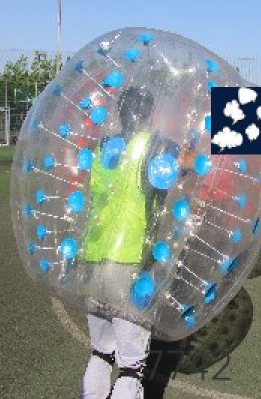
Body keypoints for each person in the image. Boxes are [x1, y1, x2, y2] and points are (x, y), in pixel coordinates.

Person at [80, 86, 195, 399]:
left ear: (120, 112)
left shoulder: (105, 146)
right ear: (150, 114)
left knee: (100, 352)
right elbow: (191, 163)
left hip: (93, 258)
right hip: (130, 261)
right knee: (131, 366)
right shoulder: (158, 146)